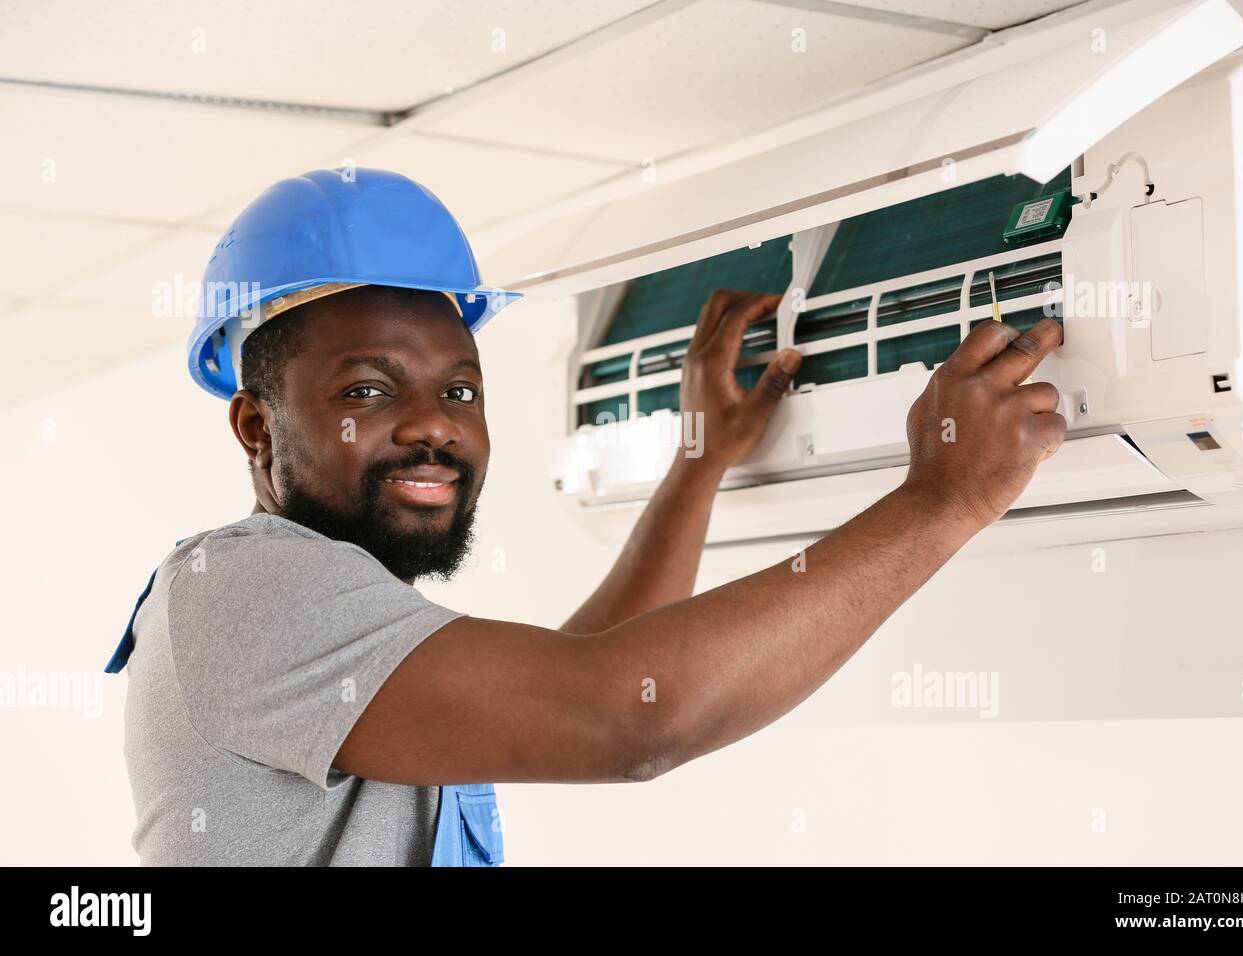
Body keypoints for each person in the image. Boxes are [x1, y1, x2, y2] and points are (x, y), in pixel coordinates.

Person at [109, 168, 1065, 866]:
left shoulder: (330, 620)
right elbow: (627, 717)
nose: (433, 428)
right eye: (368, 387)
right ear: (255, 424)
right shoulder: (242, 587)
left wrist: (698, 461)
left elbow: (598, 672)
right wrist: (945, 500)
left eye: (461, 390)